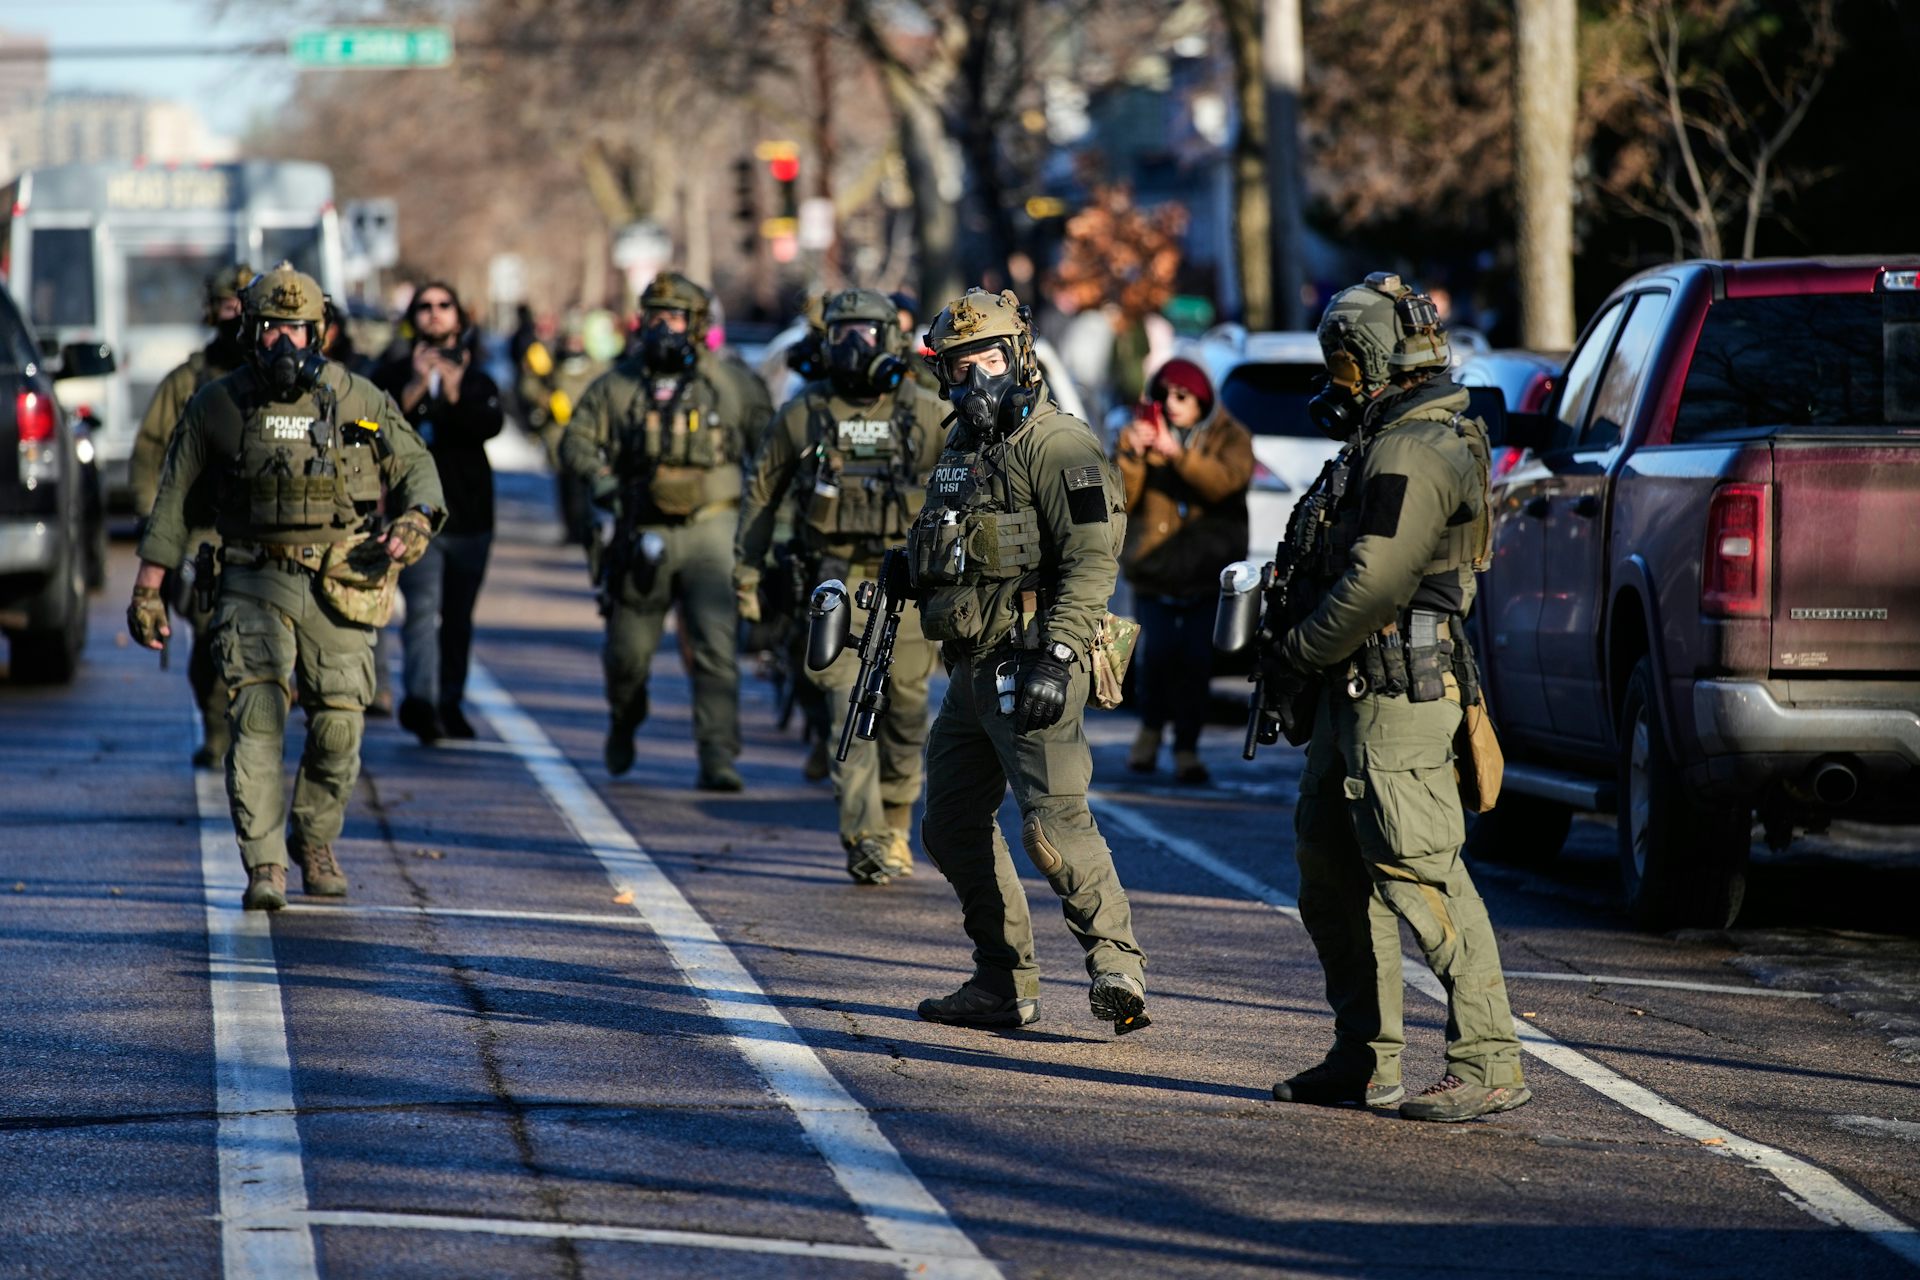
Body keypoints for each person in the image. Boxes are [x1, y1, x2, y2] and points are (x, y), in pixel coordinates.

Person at [1260, 272, 1528, 1122]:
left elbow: (1378, 581)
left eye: (1338, 363)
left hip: (1396, 695)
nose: (1331, 380)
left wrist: (1298, 652)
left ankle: (1489, 1060)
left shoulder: (1413, 447)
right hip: (1355, 692)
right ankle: (1364, 1059)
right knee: (1332, 875)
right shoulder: (1393, 435)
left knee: (1420, 873)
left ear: (1368, 358)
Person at [127, 262, 443, 911]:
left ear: (319, 333)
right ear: (251, 330)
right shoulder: (217, 407)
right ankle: (264, 863)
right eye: (272, 329)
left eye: (298, 330)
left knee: (338, 728)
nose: (285, 345)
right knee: (257, 722)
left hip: (339, 583)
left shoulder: (354, 406)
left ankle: (315, 838)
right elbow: (173, 501)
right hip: (250, 580)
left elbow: (410, 464)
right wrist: (148, 588)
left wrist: (414, 521)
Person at [907, 288, 1148, 1034]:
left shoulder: (1058, 444)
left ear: (1018, 356)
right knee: (948, 822)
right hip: (973, 669)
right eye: (958, 365)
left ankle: (1118, 969)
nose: (974, 377)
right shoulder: (962, 447)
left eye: (986, 359)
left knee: (1053, 824)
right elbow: (951, 540)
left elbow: (1090, 559)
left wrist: (1062, 653)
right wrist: (905, 564)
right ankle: (1002, 981)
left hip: (1035, 658)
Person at [735, 288, 948, 885]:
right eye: (842, 334)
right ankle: (863, 838)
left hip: (907, 586)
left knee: (907, 712)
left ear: (895, 341)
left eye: (869, 334)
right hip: (833, 584)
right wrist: (748, 573)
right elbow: (762, 492)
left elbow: (973, 481)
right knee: (847, 711)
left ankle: (898, 822)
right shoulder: (806, 414)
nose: (855, 347)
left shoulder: (928, 412)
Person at [559, 271, 773, 791]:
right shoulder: (619, 384)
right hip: (642, 530)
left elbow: (769, 446)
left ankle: (718, 754)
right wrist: (605, 482)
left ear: (697, 325)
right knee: (627, 652)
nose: (664, 327)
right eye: (655, 316)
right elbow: (576, 444)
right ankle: (624, 718)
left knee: (715, 650)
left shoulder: (730, 382)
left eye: (675, 317)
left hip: (712, 527)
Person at [128, 262, 254, 768]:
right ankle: (218, 727)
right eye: (230, 307)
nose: (239, 317)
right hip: (201, 532)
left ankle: (255, 728)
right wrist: (153, 523)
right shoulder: (188, 381)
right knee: (209, 631)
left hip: (263, 530)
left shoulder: (272, 380)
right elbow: (149, 452)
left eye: (248, 308)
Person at [372, 282, 504, 744]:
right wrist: (412, 386)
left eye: (444, 306)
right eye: (425, 307)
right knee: (423, 609)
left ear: (459, 319)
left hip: (469, 516)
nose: (434, 314)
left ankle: (451, 700)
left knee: (458, 614)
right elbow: (373, 428)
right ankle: (422, 702)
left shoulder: (478, 378)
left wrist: (452, 390)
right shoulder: (390, 372)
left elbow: (489, 425)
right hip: (415, 515)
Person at [1115, 357, 1252, 784]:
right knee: (1155, 658)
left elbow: (1225, 483)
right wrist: (1132, 456)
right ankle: (1149, 734)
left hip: (1206, 572)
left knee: (1195, 662)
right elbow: (1118, 496)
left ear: (1201, 400)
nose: (1171, 404)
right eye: (1165, 396)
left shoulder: (1231, 436)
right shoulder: (1138, 435)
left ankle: (1187, 749)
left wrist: (1178, 456)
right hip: (1154, 569)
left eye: (1182, 396)